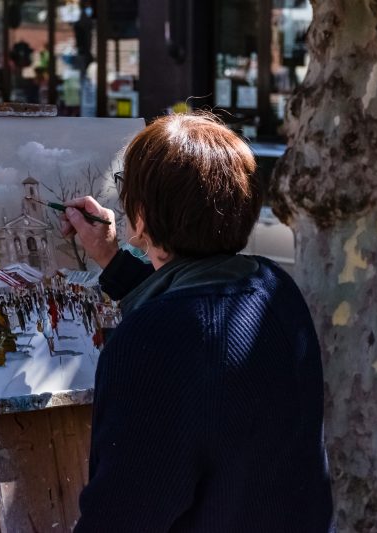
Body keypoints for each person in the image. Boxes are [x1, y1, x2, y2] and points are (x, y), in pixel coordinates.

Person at [61, 113, 333, 532]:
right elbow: (198, 304)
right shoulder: (275, 289)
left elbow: (124, 513)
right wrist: (114, 261)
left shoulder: (154, 340)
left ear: (143, 216)